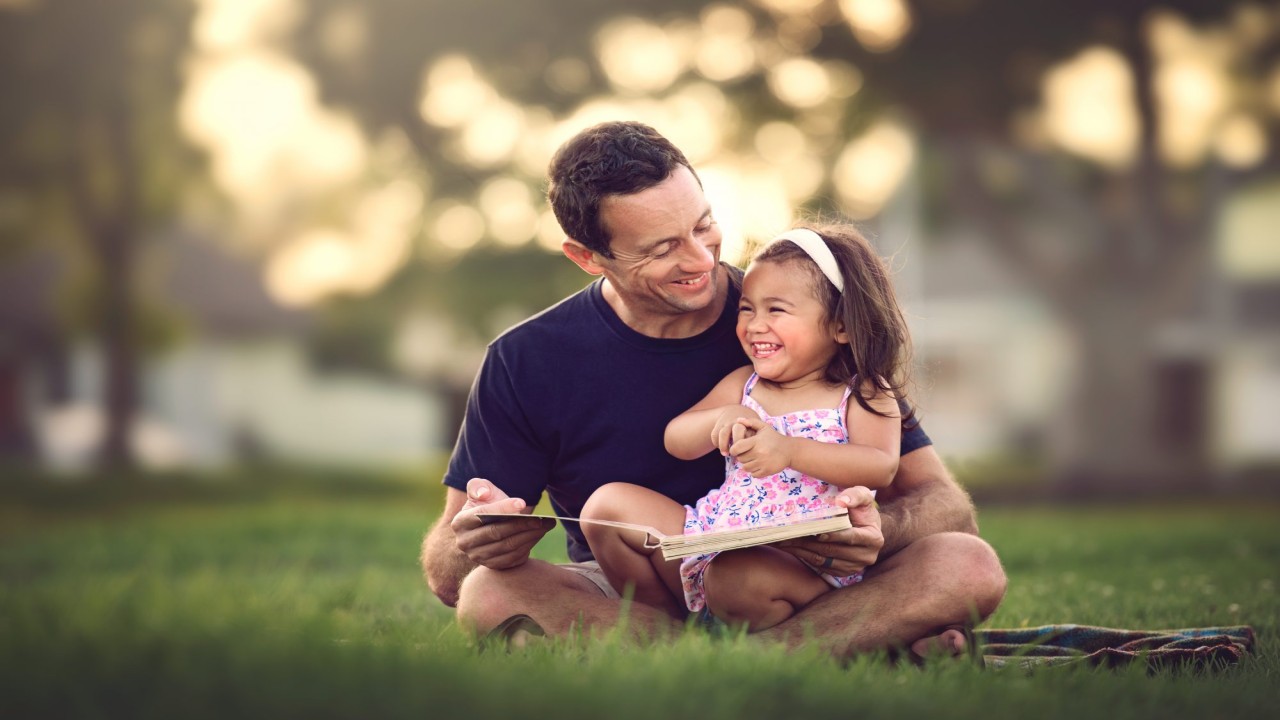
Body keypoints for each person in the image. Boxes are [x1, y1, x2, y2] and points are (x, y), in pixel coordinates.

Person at [420, 120, 1005, 658]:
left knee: (966, 565)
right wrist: (480, 537)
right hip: (641, 591)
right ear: (587, 257)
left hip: (808, 578)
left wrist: (872, 533)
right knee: (488, 597)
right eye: (661, 248)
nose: (701, 258)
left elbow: (948, 508)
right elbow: (448, 572)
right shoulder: (526, 360)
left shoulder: (798, 314)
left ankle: (713, 661)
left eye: (702, 225)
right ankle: (823, 650)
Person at [581, 225, 910, 632]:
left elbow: (880, 466)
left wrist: (790, 451)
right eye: (747, 309)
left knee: (736, 577)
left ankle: (793, 637)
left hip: (798, 561)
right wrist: (718, 419)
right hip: (714, 533)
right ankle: (666, 629)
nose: (755, 325)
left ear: (840, 326)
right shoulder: (745, 383)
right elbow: (676, 439)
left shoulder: (861, 392)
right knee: (605, 509)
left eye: (776, 310)